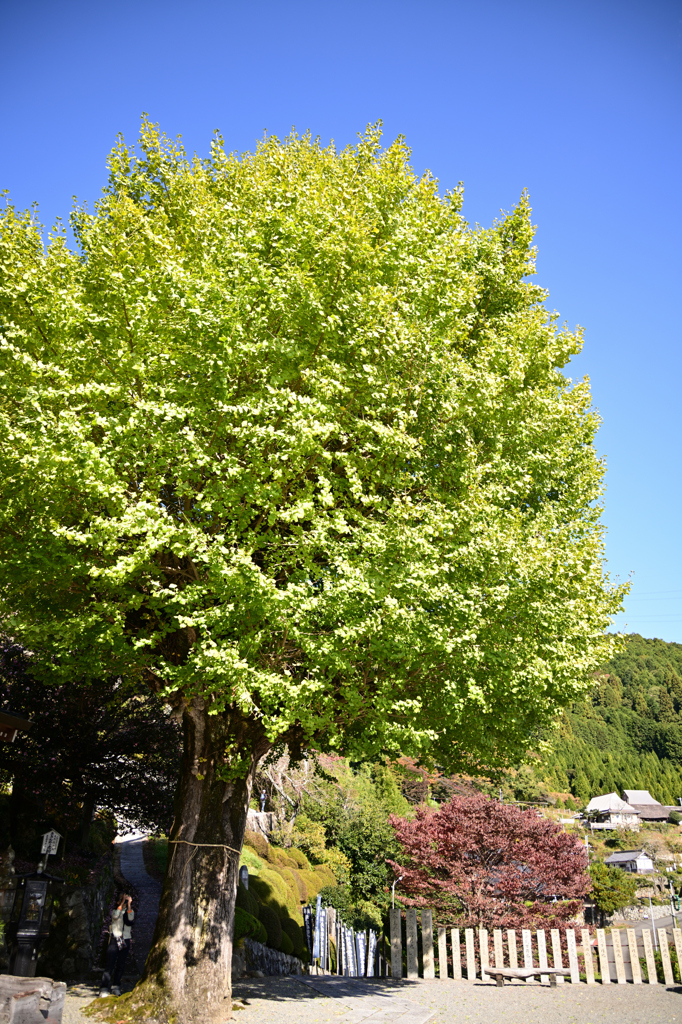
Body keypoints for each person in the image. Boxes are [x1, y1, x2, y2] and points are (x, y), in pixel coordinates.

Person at [99, 893, 134, 997]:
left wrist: (129, 905)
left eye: (125, 900)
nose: (124, 901)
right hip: (115, 938)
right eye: (121, 900)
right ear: (118, 902)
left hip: (126, 939)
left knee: (121, 964)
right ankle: (104, 988)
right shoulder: (116, 911)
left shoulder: (129, 911)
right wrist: (122, 903)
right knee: (110, 964)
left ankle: (116, 986)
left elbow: (130, 920)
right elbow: (114, 916)